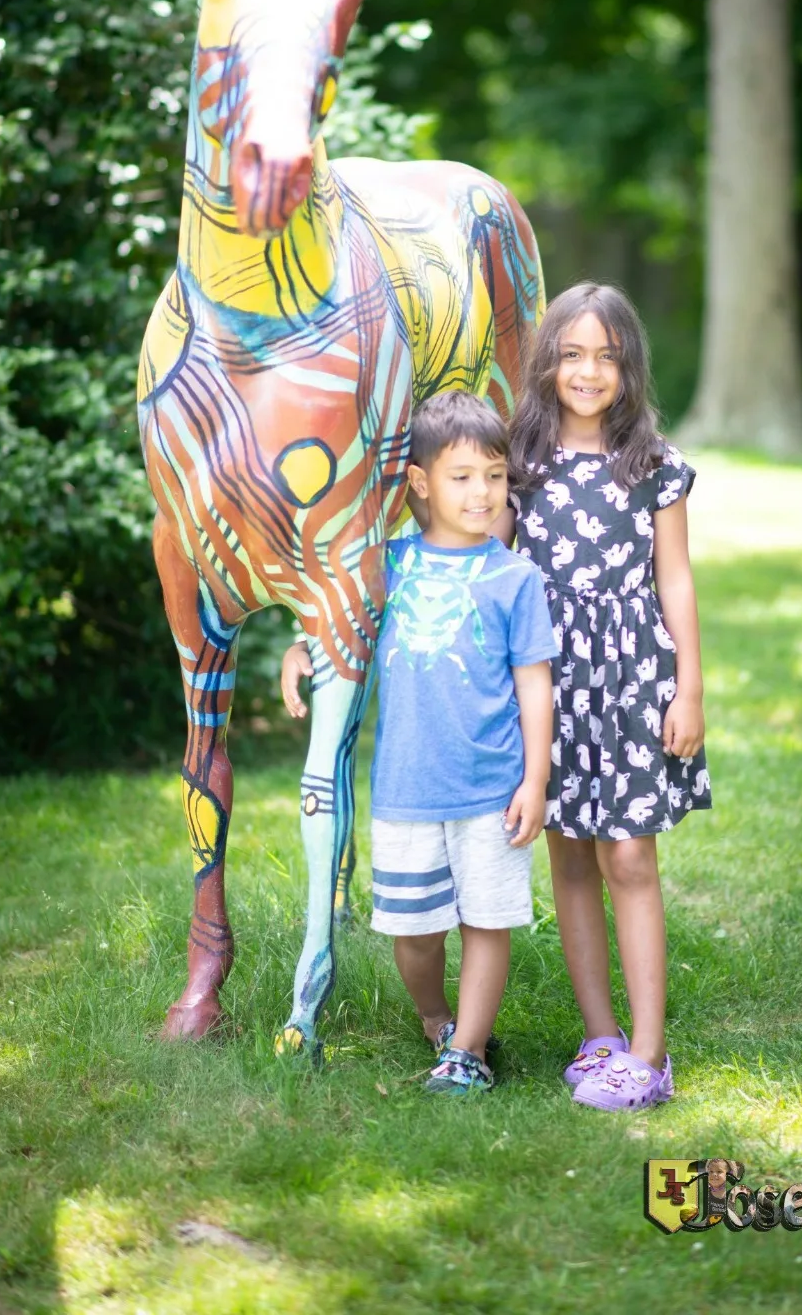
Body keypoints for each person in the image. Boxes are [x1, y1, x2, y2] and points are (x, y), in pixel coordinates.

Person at [281, 392, 557, 1095]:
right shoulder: (391, 565)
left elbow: (534, 685)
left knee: (486, 923)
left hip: (491, 787)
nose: (482, 491)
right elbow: (340, 628)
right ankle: (438, 1017)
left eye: (494, 476)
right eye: (462, 476)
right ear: (422, 483)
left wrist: (535, 779)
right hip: (405, 788)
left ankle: (468, 1051)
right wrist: (300, 649)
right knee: (415, 934)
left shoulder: (515, 578)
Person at [498, 281, 711, 1111]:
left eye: (607, 358)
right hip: (549, 681)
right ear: (548, 360)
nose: (588, 372)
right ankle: (601, 1036)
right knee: (571, 853)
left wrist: (688, 689)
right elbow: (498, 572)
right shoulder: (520, 458)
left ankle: (651, 1055)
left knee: (628, 853)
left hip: (631, 679)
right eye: (573, 355)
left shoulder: (652, 464)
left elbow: (677, 580)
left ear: (630, 368)